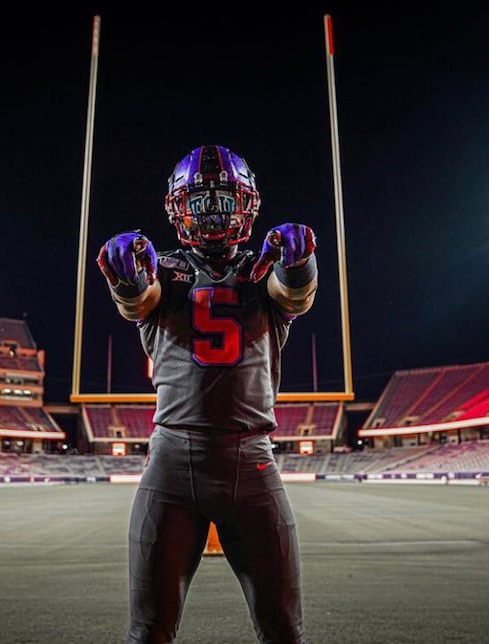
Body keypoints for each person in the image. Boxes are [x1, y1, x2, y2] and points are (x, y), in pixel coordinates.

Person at [96, 144, 317, 644]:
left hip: (250, 458)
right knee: (148, 632)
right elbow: (139, 299)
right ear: (179, 209)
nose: (214, 213)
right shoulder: (163, 273)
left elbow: (294, 294)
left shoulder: (265, 270)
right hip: (173, 463)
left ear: (246, 205)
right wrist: (127, 279)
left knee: (284, 630)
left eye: (222, 201)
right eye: (202, 202)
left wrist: (299, 263)